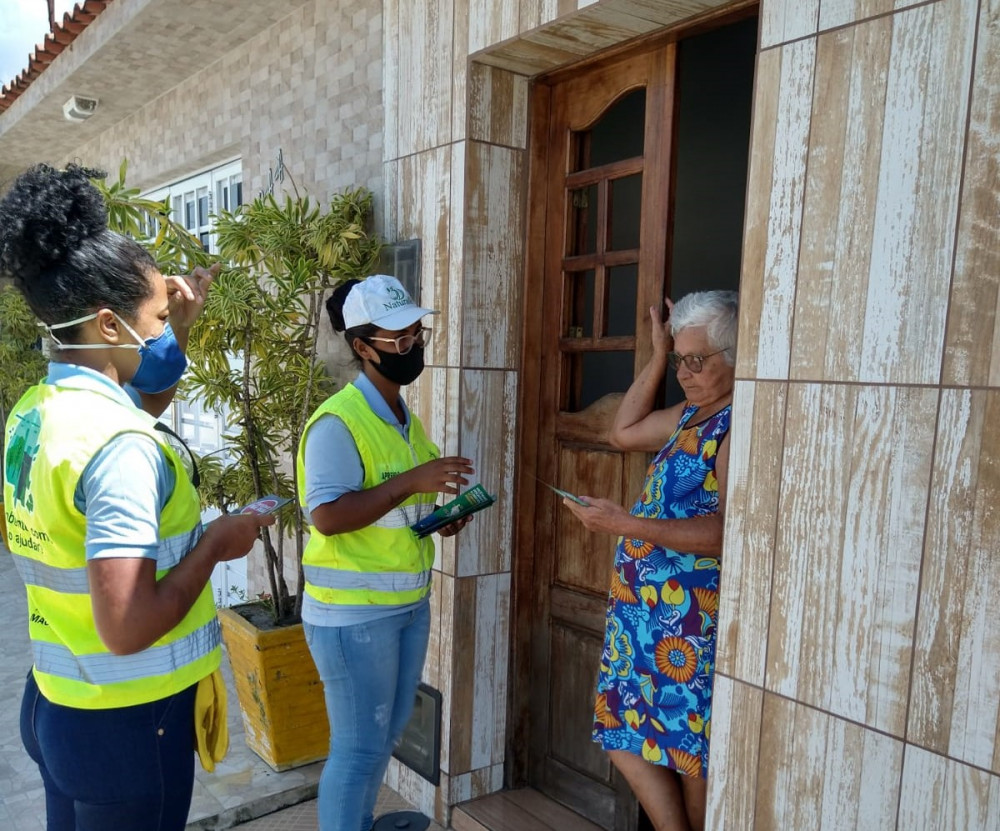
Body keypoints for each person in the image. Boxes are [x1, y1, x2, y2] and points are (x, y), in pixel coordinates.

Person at [0, 163, 274, 831]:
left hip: (58, 706)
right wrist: (217, 542)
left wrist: (181, 326)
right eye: (155, 316)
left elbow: (136, 404)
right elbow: (126, 627)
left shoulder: (37, 412)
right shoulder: (117, 442)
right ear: (109, 324)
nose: (163, 328)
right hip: (127, 727)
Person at [296, 274, 475, 831]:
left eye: (417, 334)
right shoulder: (336, 423)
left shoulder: (403, 419)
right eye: (398, 339)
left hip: (404, 606)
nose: (413, 347)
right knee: (357, 748)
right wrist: (411, 482)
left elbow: (401, 512)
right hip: (353, 619)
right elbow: (327, 515)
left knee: (383, 738)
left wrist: (443, 518)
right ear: (361, 347)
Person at [564, 290, 738, 831]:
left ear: (735, 358)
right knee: (621, 732)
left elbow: (726, 534)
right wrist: (658, 355)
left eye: (697, 360)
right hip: (642, 616)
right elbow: (621, 432)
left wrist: (625, 525)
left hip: (688, 624)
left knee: (690, 756)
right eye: (681, 360)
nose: (687, 373)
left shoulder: (733, 425)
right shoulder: (691, 415)